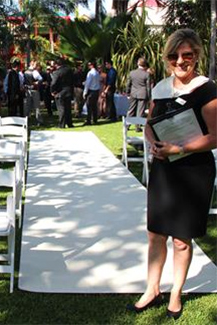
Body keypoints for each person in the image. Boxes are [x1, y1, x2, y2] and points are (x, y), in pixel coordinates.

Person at [126, 28, 217, 320]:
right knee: (155, 234)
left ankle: (175, 294)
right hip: (164, 169)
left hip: (194, 171)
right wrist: (152, 142)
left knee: (181, 239)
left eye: (187, 55)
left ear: (196, 56)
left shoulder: (207, 89)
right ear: (167, 59)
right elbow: (151, 123)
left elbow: (215, 136)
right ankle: (152, 289)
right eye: (175, 55)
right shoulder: (161, 87)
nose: (181, 61)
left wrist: (178, 148)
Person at [126, 57, 151, 132]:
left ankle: (127, 125)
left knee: (131, 109)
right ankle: (137, 126)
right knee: (140, 111)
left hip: (133, 93)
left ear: (138, 64)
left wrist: (127, 93)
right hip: (142, 94)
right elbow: (148, 87)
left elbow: (128, 84)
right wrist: (149, 96)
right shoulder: (147, 74)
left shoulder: (132, 73)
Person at [50, 58, 74, 128]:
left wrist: (52, 91)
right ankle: (69, 123)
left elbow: (53, 83)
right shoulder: (69, 70)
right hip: (68, 90)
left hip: (60, 92)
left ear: (57, 64)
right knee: (68, 108)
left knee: (61, 108)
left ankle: (62, 124)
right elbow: (73, 80)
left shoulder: (57, 72)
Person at [23, 61, 43, 125]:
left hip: (27, 90)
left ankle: (25, 120)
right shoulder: (35, 72)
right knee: (36, 106)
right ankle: (39, 121)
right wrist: (36, 83)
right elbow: (40, 79)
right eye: (36, 64)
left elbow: (23, 81)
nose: (36, 66)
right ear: (33, 64)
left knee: (27, 106)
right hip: (34, 90)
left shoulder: (25, 72)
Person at [83, 61, 100, 126]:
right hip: (96, 91)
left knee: (89, 106)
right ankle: (95, 119)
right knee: (94, 106)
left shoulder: (90, 73)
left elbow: (88, 83)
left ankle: (88, 120)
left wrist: (85, 92)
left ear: (91, 65)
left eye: (89, 65)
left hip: (91, 91)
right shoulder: (97, 73)